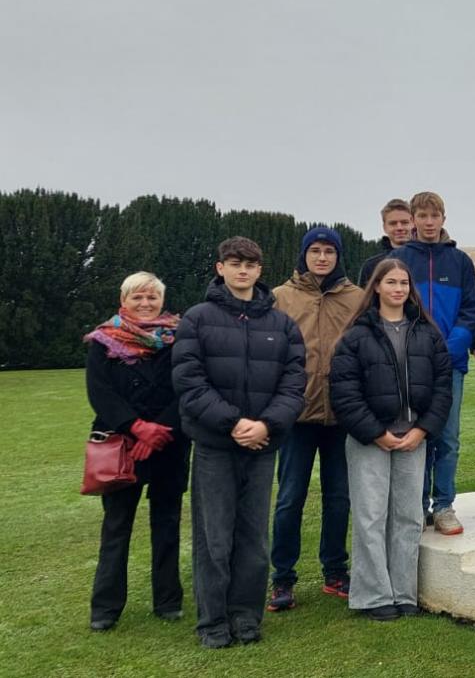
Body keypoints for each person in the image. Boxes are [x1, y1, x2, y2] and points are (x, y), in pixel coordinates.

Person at [172, 237, 306, 648]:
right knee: (214, 537)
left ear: (260, 271)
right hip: (215, 445)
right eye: (235, 263)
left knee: (253, 537)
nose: (242, 270)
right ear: (220, 268)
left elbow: (294, 382)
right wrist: (232, 423)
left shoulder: (281, 325)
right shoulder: (197, 319)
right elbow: (189, 381)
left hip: (262, 447)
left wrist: (266, 425)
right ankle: (213, 621)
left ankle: (246, 616)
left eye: (250, 264)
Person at [329, 259, 453, 621]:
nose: (398, 289)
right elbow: (345, 393)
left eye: (403, 283)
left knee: (409, 517)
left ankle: (403, 592)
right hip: (371, 439)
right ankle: (372, 595)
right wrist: (376, 433)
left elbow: (442, 389)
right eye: (391, 282)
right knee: (370, 516)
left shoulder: (426, 333)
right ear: (377, 287)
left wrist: (422, 430)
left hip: (413, 437)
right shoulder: (356, 336)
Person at [267, 226, 366, 612]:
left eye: (329, 251)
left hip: (342, 414)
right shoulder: (280, 297)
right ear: (304, 255)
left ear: (338, 256)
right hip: (296, 414)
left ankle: (335, 571)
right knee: (290, 497)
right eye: (315, 251)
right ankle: (283, 578)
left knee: (339, 498)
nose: (322, 258)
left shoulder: (356, 298)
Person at [84, 272, 188, 632]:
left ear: (162, 300)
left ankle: (168, 601)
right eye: (137, 298)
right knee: (116, 526)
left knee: (167, 522)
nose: (145, 304)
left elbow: (186, 385)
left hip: (169, 443)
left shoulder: (179, 338)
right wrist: (137, 427)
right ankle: (106, 608)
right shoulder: (103, 340)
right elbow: (99, 393)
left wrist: (159, 430)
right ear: (123, 299)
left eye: (152, 298)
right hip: (120, 443)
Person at [391, 191, 475, 536]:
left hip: (450, 364)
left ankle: (444, 504)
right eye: (422, 216)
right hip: (409, 363)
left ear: (443, 218)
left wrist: (449, 346)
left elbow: (471, 310)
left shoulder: (457, 261)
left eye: (435, 216)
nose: (429, 223)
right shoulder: (400, 259)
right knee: (416, 436)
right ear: (412, 219)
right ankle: (416, 505)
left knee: (448, 438)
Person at [358, 199, 414, 287]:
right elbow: (365, 299)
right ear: (384, 227)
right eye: (393, 223)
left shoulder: (427, 261)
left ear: (413, 224)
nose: (399, 227)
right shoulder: (371, 266)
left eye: (404, 222)